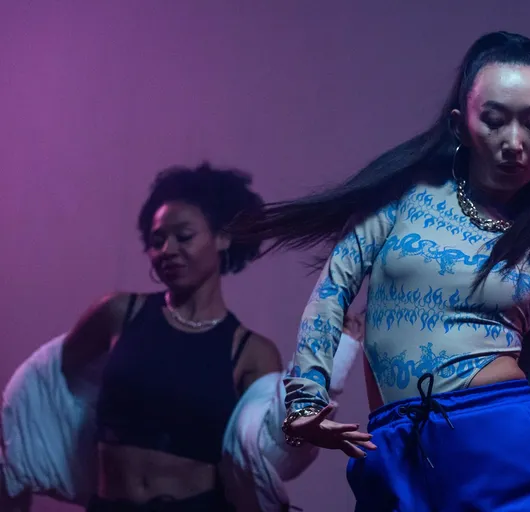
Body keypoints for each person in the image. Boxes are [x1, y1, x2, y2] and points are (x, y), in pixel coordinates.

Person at [231, 31, 530, 511]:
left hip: (503, 447)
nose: (514, 142)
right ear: (461, 124)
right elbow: (333, 291)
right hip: (399, 448)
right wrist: (305, 397)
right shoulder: (400, 201)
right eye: (495, 120)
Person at [0, 163, 363, 512]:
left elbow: (277, 446)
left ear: (223, 237)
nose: (167, 250)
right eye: (157, 241)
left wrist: (335, 353)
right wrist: (15, 468)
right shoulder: (117, 314)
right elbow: (49, 388)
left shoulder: (250, 352)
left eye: (183, 236)